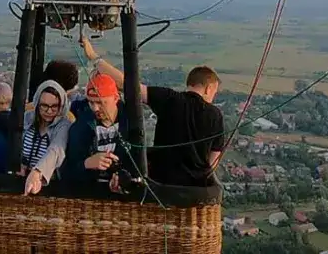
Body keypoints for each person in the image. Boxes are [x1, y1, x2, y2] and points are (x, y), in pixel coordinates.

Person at [81, 38, 225, 187]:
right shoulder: (215, 115)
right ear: (208, 88)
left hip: (162, 184)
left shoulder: (170, 99)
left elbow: (129, 86)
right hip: (194, 190)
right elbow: (213, 158)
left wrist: (94, 57)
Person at [25, 72, 134, 194]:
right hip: (87, 193)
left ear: (115, 98)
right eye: (91, 102)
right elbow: (66, 171)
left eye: (101, 102)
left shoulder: (131, 123)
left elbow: (137, 162)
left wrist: (121, 178)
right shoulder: (80, 127)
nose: (95, 108)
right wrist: (87, 163)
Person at [18, 79, 71, 178]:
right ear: (37, 104)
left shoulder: (64, 125)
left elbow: (56, 150)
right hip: (22, 177)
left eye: (55, 106)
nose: (49, 111)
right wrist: (19, 164)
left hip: (48, 182)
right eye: (44, 106)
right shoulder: (27, 118)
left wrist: (38, 172)